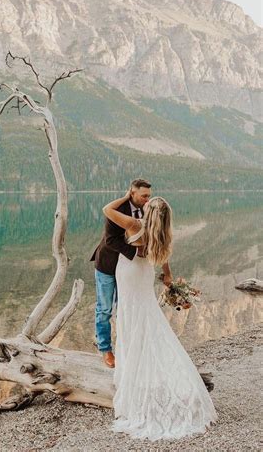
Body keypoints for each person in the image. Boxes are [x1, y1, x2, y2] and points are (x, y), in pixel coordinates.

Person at [102, 190, 218, 440]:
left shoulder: (135, 225)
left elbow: (107, 210)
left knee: (130, 318)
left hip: (129, 275)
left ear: (148, 211)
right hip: (143, 278)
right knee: (148, 317)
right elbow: (165, 266)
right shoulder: (164, 236)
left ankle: (133, 372)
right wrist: (169, 280)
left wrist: (126, 196)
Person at [90, 179, 157, 368]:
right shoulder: (117, 210)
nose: (146, 200)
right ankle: (105, 349)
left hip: (129, 270)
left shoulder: (148, 210)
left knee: (125, 307)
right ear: (132, 193)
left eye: (148, 196)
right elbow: (111, 241)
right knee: (104, 309)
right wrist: (136, 253)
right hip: (108, 265)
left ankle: (125, 347)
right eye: (143, 196)